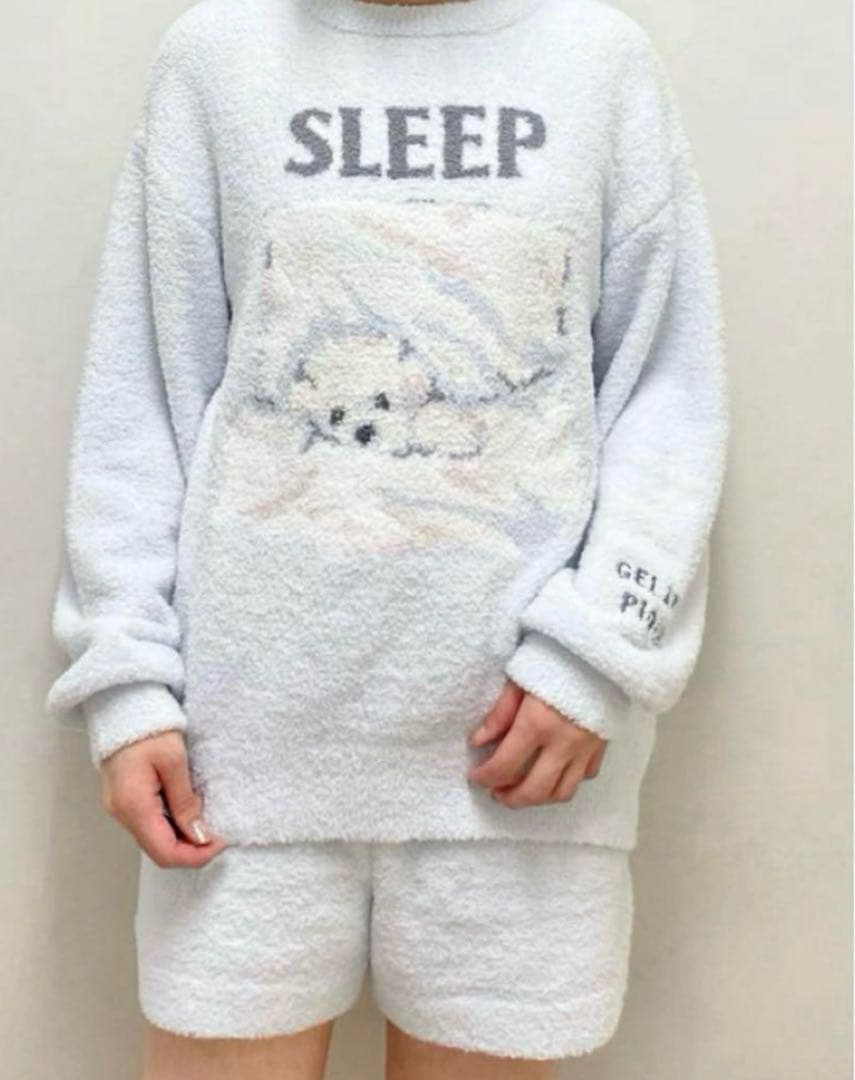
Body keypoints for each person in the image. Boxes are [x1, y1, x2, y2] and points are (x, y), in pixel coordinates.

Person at [45, 0, 730, 1076]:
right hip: (240, 764)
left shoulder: (598, 62)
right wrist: (124, 678)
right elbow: (140, 399)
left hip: (521, 768)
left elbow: (666, 393)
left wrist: (597, 652)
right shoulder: (216, 60)